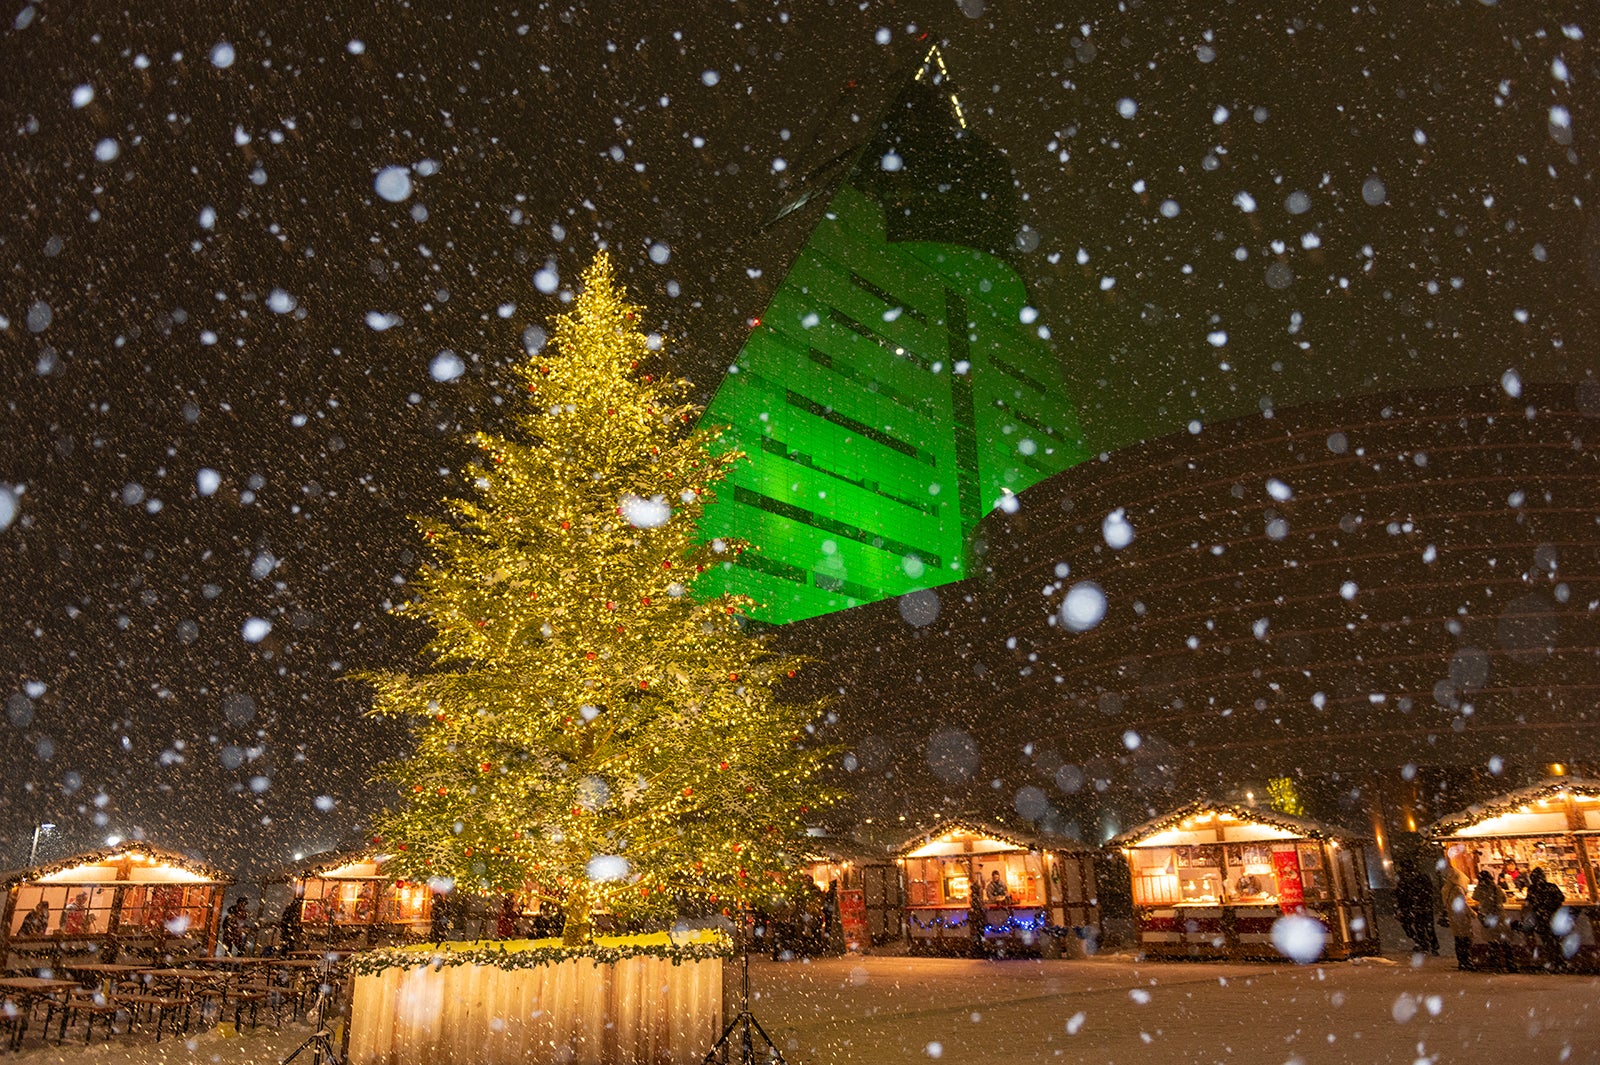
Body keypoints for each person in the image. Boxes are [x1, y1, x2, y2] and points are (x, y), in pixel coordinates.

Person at [1394, 858, 1439, 956]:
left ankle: (1423, 943)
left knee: (1418, 926)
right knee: (1427, 926)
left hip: (1415, 906)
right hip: (1423, 905)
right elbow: (1429, 890)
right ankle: (1431, 945)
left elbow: (1402, 894)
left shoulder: (1406, 879)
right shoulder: (1421, 877)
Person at [1524, 867, 1566, 971]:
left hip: (1541, 918)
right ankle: (1560, 962)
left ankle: (1552, 961)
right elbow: (1561, 898)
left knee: (1547, 941)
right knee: (1556, 940)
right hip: (1553, 917)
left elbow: (1528, 902)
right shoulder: (1551, 886)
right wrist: (1553, 906)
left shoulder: (1532, 889)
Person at [1440, 865, 1476, 971]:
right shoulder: (1457, 889)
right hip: (1461, 918)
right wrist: (1473, 913)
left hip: (1453, 916)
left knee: (1458, 939)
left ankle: (1462, 961)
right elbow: (1463, 905)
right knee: (1465, 940)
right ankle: (1466, 961)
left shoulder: (1446, 888)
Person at [1473, 870, 1511, 971]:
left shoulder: (1480, 890)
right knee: (1504, 942)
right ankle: (1509, 963)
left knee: (1492, 942)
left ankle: (1495, 962)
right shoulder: (1497, 888)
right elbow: (1504, 899)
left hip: (1488, 917)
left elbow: (1474, 897)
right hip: (1499, 917)